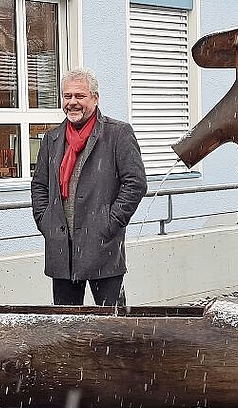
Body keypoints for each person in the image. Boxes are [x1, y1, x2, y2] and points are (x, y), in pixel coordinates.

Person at [31, 67, 147, 306]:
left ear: (95, 98)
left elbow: (135, 183)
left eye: (80, 96)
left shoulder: (117, 134)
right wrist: (46, 222)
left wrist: (109, 223)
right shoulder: (52, 139)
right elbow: (40, 185)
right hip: (62, 250)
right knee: (67, 329)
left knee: (115, 328)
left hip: (102, 247)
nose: (72, 102)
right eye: (67, 96)